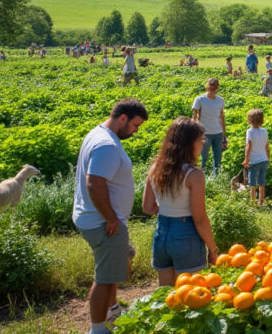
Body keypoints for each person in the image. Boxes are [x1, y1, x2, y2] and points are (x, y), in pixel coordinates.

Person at [73, 99, 149, 334]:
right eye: (135, 126)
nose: (136, 131)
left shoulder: (98, 135)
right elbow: (94, 183)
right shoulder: (106, 145)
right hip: (103, 222)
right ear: (122, 118)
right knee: (104, 278)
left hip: (97, 218)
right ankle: (98, 329)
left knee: (111, 270)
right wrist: (111, 217)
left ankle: (113, 308)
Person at [142, 118, 218, 286]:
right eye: (201, 140)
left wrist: (169, 212)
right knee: (188, 295)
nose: (202, 145)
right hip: (186, 235)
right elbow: (200, 219)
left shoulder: (155, 168)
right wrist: (213, 249)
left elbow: (147, 207)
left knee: (165, 295)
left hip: (162, 233)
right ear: (189, 143)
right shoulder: (194, 174)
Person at [191, 78, 227, 176]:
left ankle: (216, 178)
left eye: (214, 88)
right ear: (207, 87)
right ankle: (201, 178)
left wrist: (224, 135)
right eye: (210, 88)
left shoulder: (220, 100)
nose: (212, 90)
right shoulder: (199, 100)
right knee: (204, 158)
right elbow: (194, 118)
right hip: (204, 134)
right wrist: (195, 134)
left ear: (217, 88)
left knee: (217, 159)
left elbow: (222, 117)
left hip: (218, 133)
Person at [243, 109, 270, 206]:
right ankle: (261, 202)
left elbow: (249, 146)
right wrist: (268, 157)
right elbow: (267, 146)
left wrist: (246, 159)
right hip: (264, 160)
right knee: (262, 182)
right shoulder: (264, 131)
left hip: (254, 161)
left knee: (252, 183)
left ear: (249, 120)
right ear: (262, 120)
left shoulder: (250, 131)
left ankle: (253, 202)